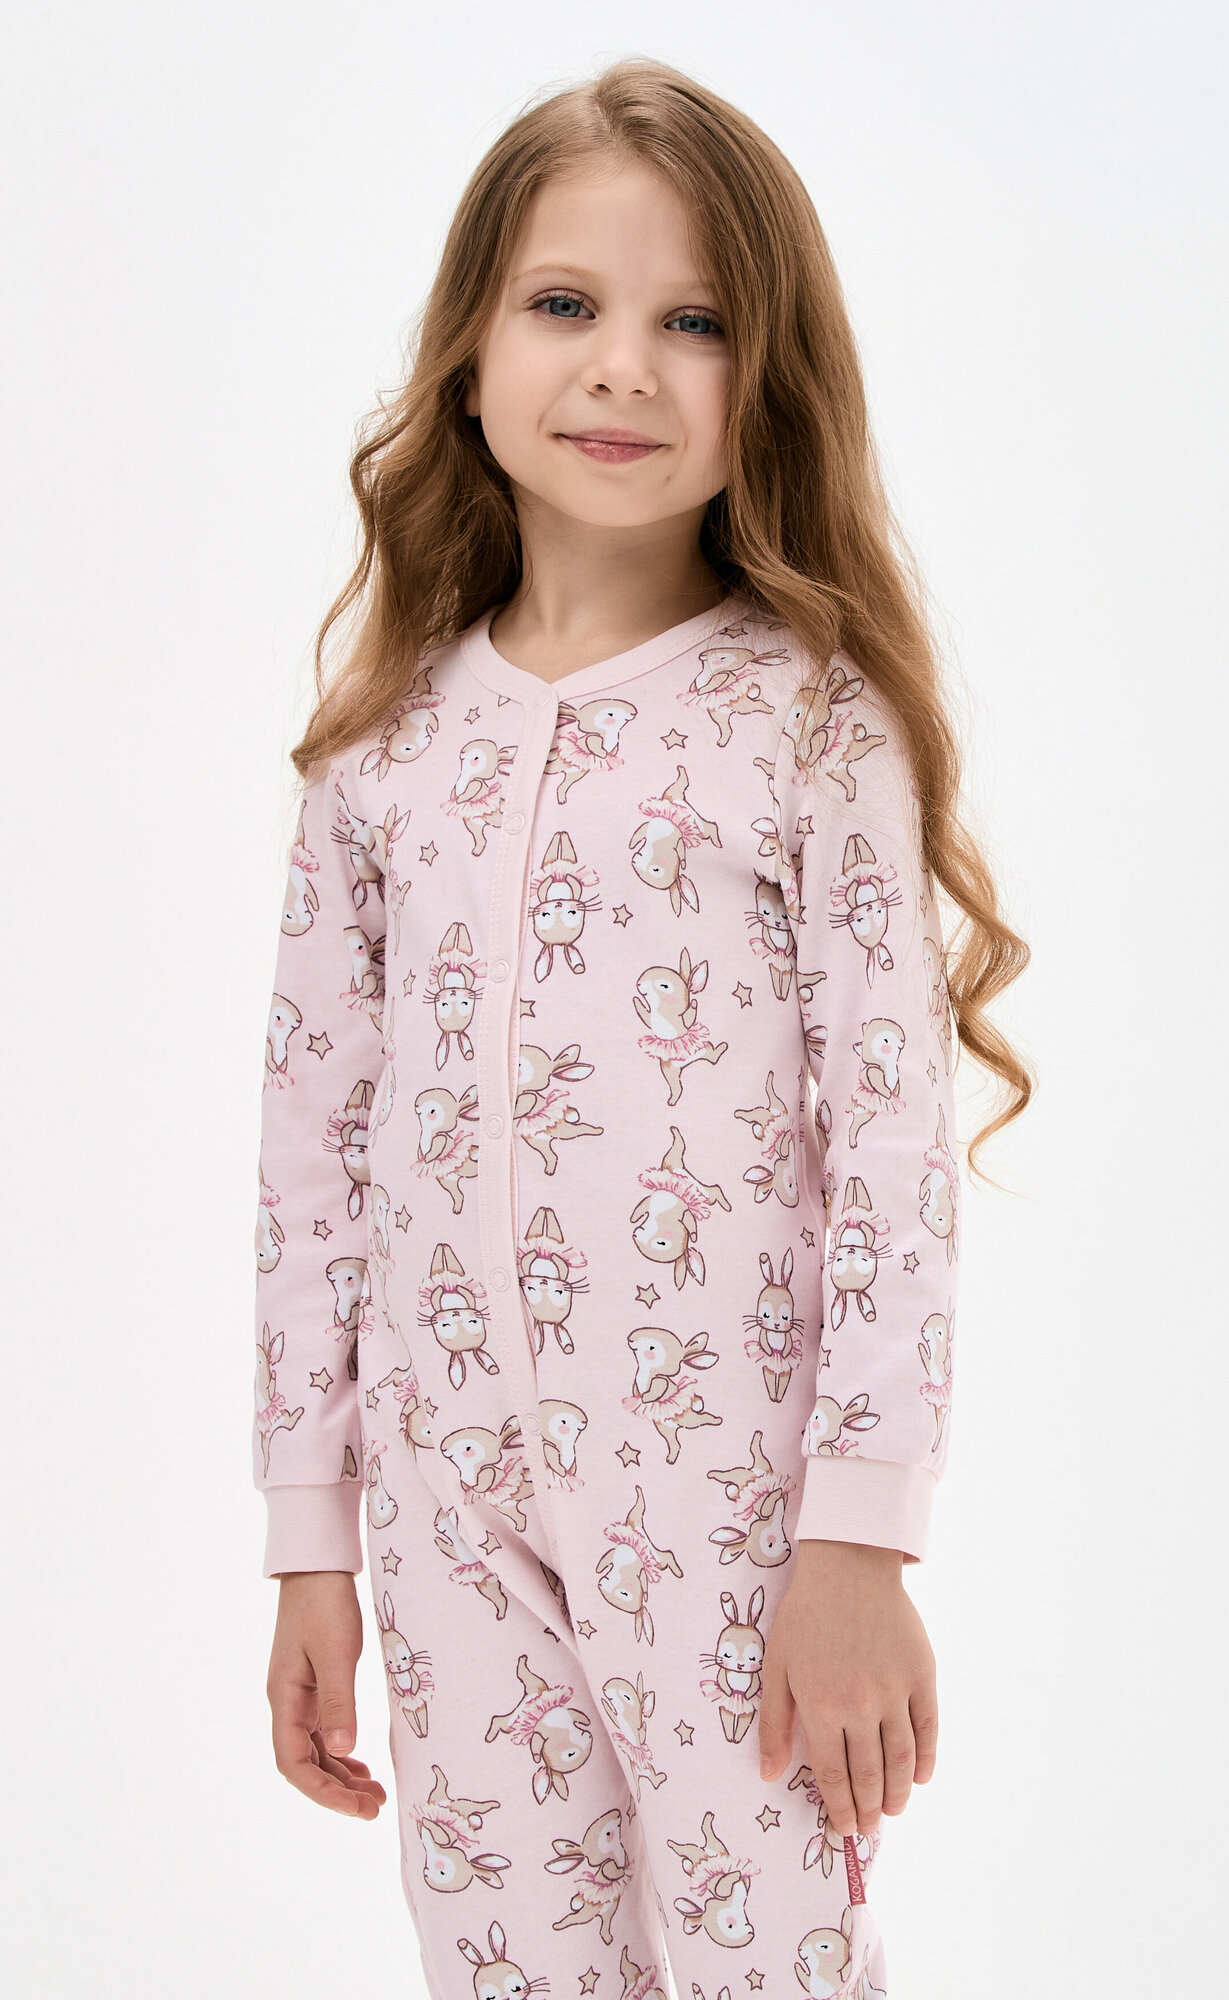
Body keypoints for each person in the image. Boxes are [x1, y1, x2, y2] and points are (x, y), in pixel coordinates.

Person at [252, 55, 1031, 1999]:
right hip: (443, 1518)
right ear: (469, 352)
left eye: (696, 321)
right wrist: (310, 1537)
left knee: (772, 1961)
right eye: (565, 303)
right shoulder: (382, 754)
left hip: (730, 1520)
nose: (623, 366)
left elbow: (889, 1156)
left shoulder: (808, 724)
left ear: (770, 378)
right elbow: (309, 1161)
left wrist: (861, 1539)